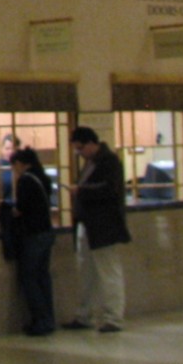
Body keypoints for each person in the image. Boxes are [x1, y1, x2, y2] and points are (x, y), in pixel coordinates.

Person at [63, 125, 131, 333]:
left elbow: (110, 190)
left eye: (81, 148)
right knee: (87, 273)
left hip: (104, 226)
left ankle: (114, 317)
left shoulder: (109, 161)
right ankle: (85, 315)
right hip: (88, 225)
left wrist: (81, 190)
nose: (79, 153)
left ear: (92, 143)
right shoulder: (91, 162)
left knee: (108, 271)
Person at [8, 146, 56, 336]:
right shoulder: (43, 177)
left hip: (32, 234)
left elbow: (20, 208)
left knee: (29, 278)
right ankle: (49, 319)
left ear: (20, 163)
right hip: (46, 231)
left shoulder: (26, 180)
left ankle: (40, 320)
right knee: (43, 277)